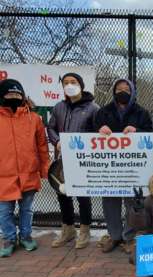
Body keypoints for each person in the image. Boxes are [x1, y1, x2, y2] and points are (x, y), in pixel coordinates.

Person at [94, 78, 153, 253]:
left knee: (132, 202)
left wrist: (138, 132)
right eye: (118, 88)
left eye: (126, 89)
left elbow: (151, 133)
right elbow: (91, 132)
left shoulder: (141, 112)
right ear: (113, 91)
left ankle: (129, 237)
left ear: (133, 91)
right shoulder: (103, 112)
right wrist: (99, 130)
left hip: (132, 168)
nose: (122, 91)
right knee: (110, 201)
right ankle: (114, 236)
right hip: (109, 168)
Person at [48, 73, 99, 249]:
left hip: (83, 161)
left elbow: (97, 133)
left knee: (83, 196)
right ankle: (68, 229)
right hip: (62, 160)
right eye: (66, 83)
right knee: (62, 194)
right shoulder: (58, 107)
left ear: (81, 85)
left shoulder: (93, 108)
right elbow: (51, 128)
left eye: (73, 82)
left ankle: (85, 230)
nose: (69, 85)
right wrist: (56, 141)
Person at [0, 79, 49, 257]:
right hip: (3, 176)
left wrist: (45, 169)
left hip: (28, 173)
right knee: (4, 211)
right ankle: (9, 238)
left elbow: (42, 146)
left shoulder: (33, 118)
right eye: (9, 94)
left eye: (17, 94)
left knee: (26, 209)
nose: (14, 97)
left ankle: (26, 236)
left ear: (23, 96)